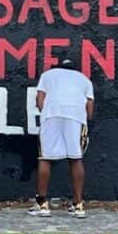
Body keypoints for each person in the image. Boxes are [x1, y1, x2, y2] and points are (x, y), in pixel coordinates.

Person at [28, 54, 94, 219]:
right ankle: (78, 205)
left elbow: (40, 98)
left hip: (52, 114)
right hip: (76, 116)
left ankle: (43, 204)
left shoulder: (48, 75)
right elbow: (89, 105)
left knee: (45, 158)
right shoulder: (84, 79)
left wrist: (46, 114)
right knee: (76, 158)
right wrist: (85, 119)